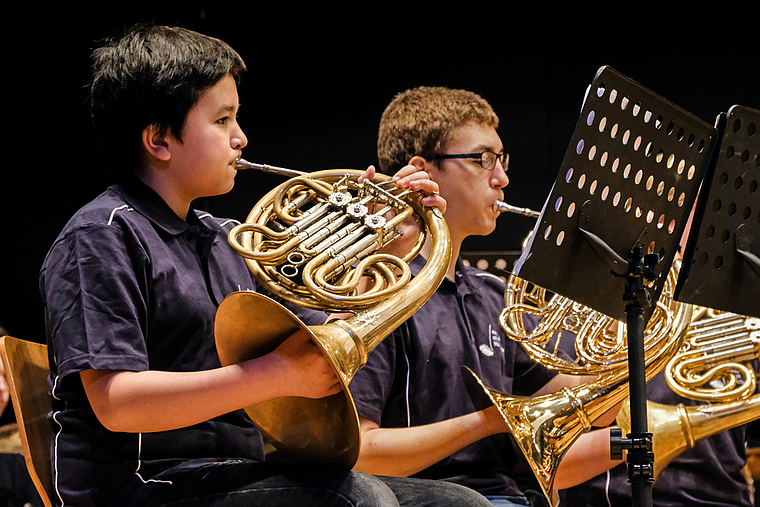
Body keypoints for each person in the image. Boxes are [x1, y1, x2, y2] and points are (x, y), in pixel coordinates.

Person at [39, 25, 493, 507]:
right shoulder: (103, 235)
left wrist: (390, 240)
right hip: (138, 482)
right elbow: (115, 402)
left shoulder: (223, 237)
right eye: (222, 121)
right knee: (357, 500)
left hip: (226, 473)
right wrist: (275, 374)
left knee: (459, 502)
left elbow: (325, 334)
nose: (241, 138)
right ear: (159, 140)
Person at [347, 86, 622, 507]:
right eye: (482, 160)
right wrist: (488, 422)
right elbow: (359, 453)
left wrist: (634, 326)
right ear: (423, 170)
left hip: (506, 497)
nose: (502, 178)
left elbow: (590, 411)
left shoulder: (492, 294)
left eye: (501, 160)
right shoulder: (379, 288)